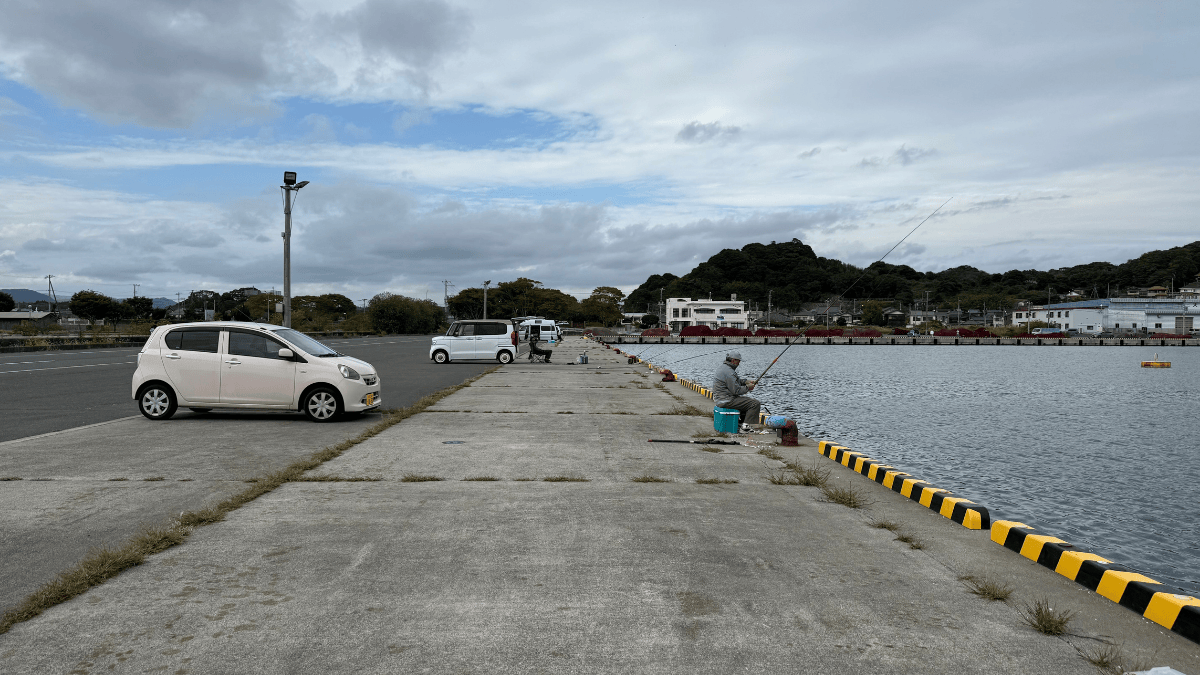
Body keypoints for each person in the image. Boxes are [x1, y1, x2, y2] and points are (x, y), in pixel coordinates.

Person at [712, 351, 760, 431]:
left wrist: (745, 382)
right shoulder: (729, 372)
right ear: (733, 360)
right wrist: (748, 388)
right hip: (726, 400)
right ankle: (746, 427)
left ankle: (740, 423)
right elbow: (736, 390)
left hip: (721, 399)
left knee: (745, 401)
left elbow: (734, 381)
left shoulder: (724, 368)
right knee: (754, 404)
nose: (739, 363)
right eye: (738, 361)